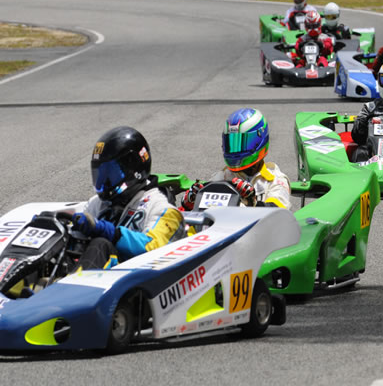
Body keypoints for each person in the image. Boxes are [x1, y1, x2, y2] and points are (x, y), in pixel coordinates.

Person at [71, 126, 184, 270]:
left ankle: (65, 290)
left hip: (137, 281)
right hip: (97, 277)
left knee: (100, 244)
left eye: (110, 175)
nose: (104, 182)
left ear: (133, 170)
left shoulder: (161, 208)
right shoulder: (97, 204)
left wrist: (112, 233)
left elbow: (154, 248)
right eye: (100, 174)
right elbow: (75, 236)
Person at [181, 108, 292, 211]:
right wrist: (191, 203)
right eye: (232, 144)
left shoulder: (275, 180)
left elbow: (277, 211)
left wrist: (251, 203)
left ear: (259, 141)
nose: (236, 151)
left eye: (242, 143)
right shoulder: (223, 176)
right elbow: (206, 211)